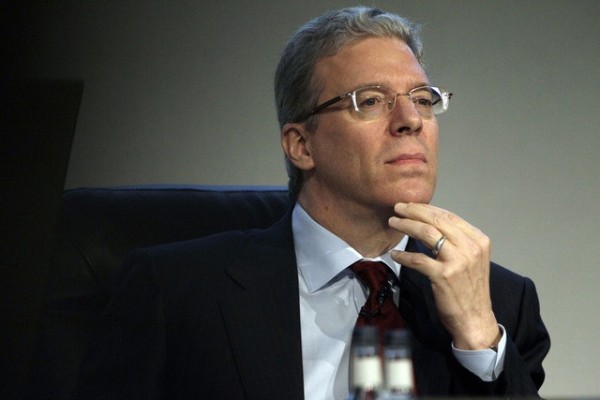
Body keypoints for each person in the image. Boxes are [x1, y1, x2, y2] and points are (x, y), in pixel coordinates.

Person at [75, 6, 550, 399]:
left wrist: (479, 340)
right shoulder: (175, 291)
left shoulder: (502, 303)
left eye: (423, 99)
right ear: (301, 145)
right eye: (371, 100)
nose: (410, 119)